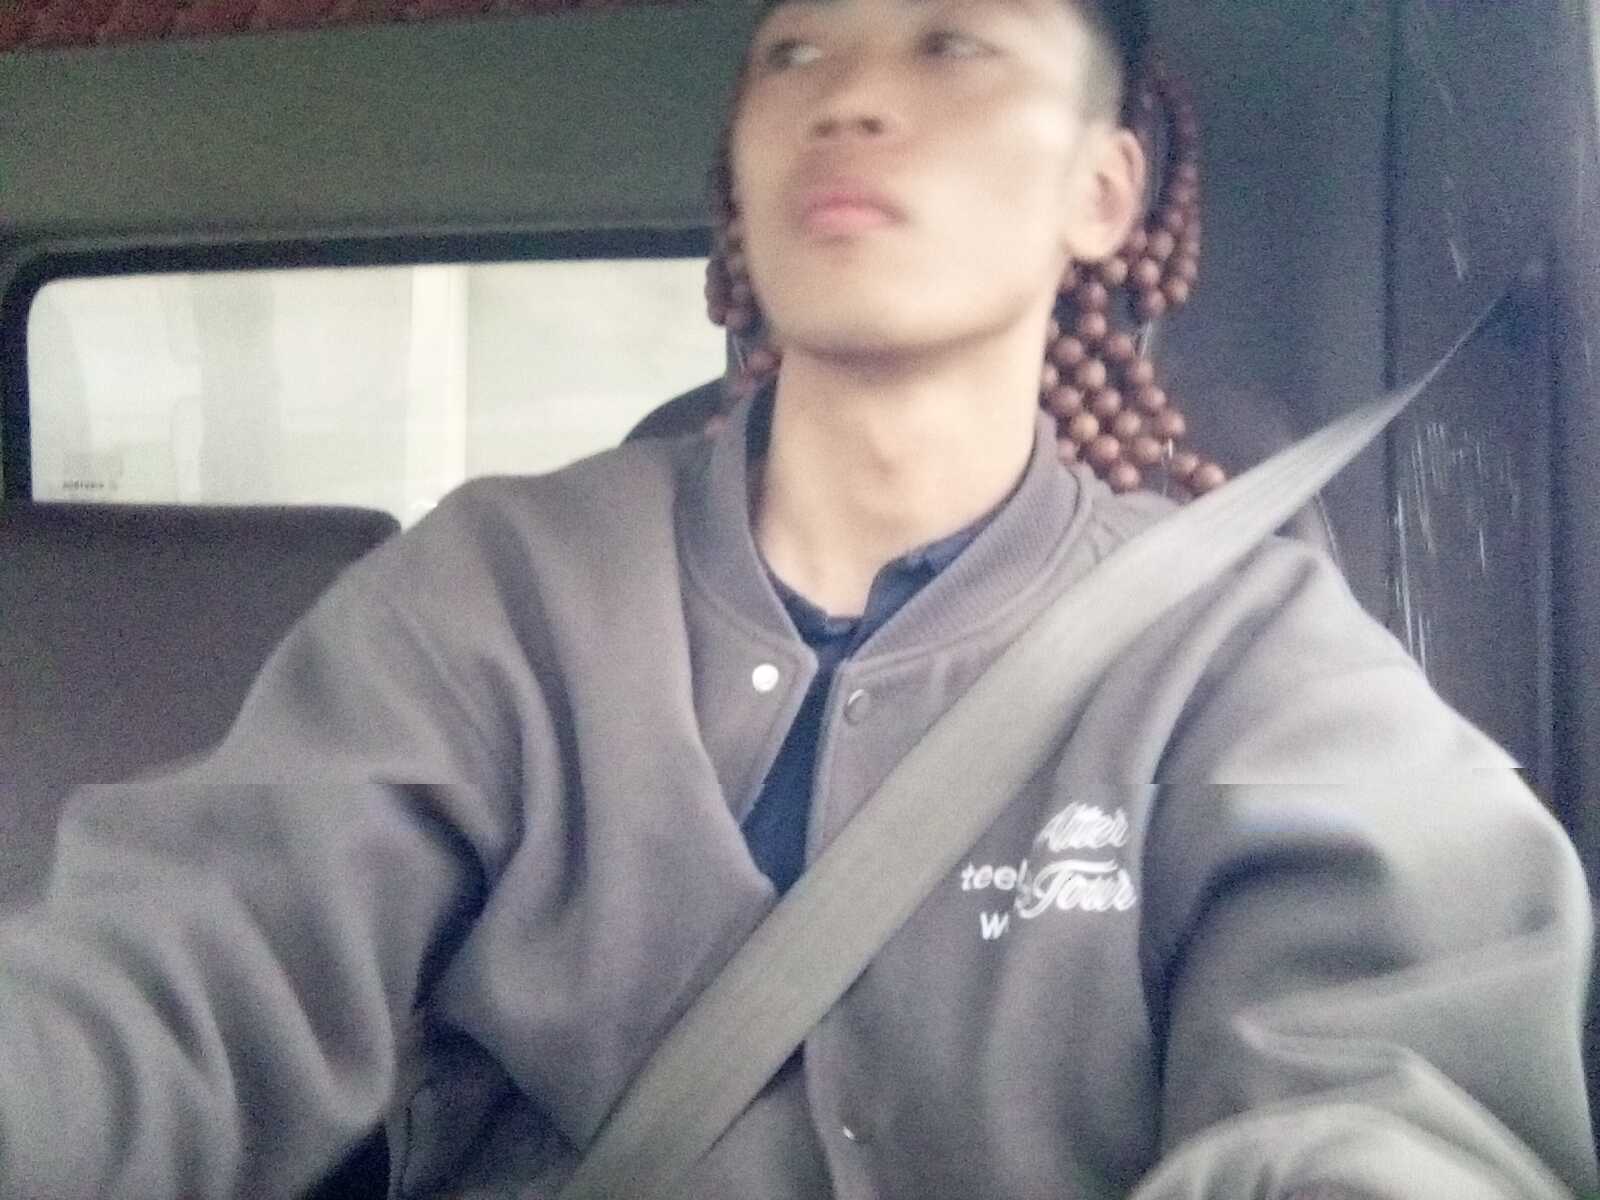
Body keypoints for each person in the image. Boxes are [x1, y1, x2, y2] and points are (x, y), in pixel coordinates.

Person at [0, 0, 1593, 1197]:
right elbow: (181, 980)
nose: (853, 98)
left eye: (955, 44)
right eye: (794, 54)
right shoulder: (496, 592)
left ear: (1104, 190)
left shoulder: (1247, 653)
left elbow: (1386, 1100)